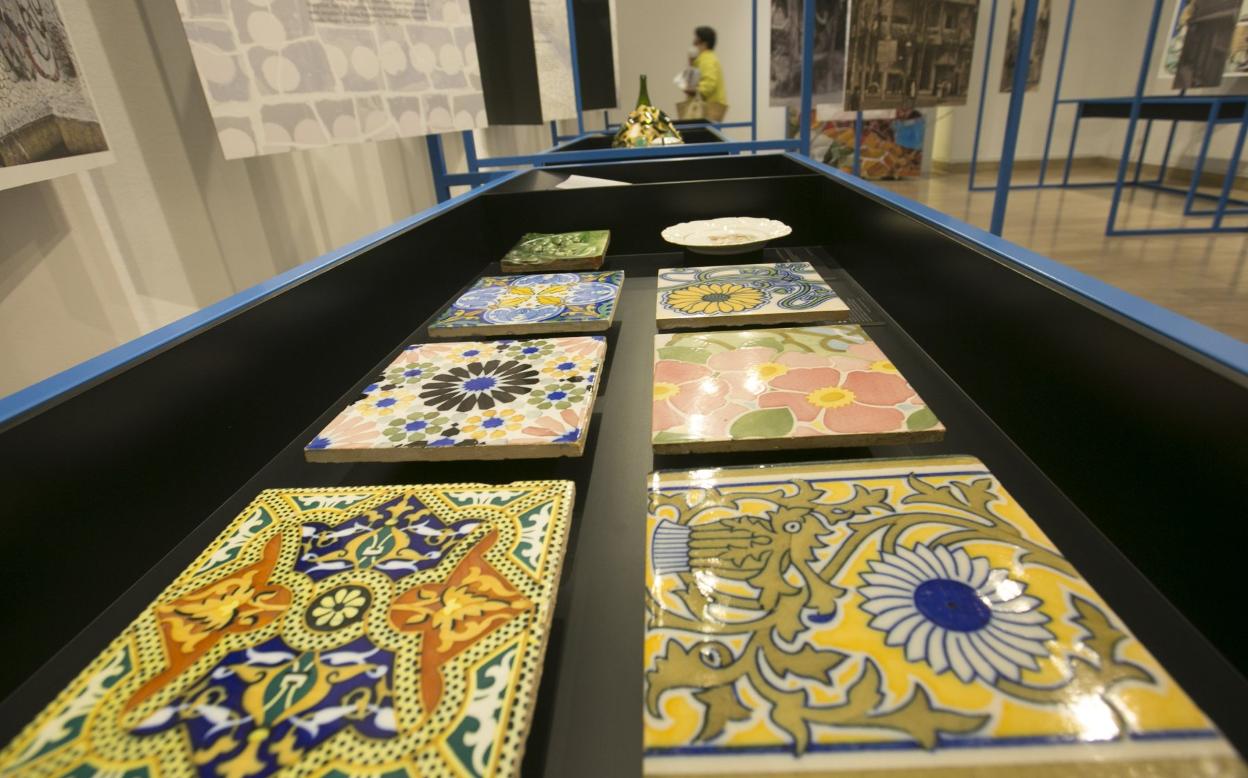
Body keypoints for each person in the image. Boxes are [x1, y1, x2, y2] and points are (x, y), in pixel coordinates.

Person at [686, 26, 727, 116]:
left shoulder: (707, 59)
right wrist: (691, 64)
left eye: (696, 41)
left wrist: (695, 91)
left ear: (704, 43)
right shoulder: (702, 60)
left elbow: (709, 82)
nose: (693, 44)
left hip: (708, 110)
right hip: (706, 109)